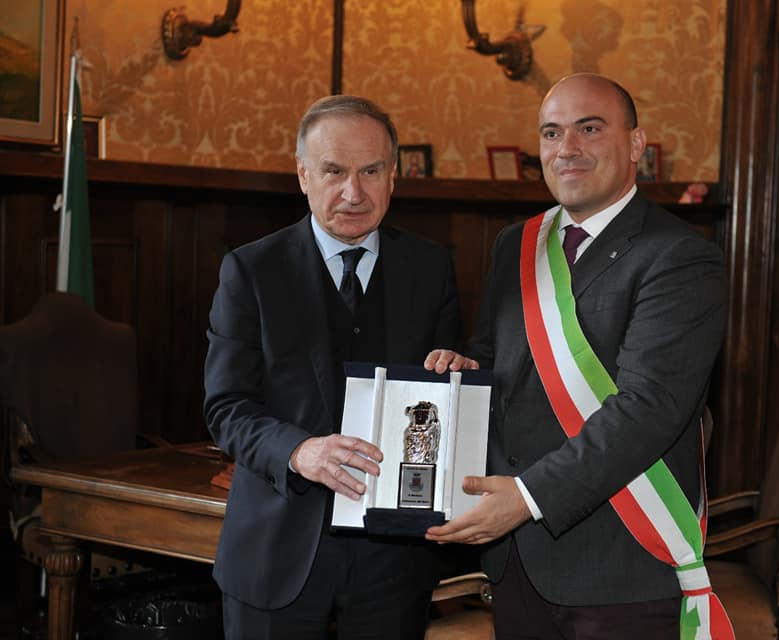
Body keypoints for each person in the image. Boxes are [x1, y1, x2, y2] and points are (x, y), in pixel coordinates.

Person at [423, 73, 732, 639]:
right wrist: (465, 372)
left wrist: (528, 498)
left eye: (589, 129)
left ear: (635, 144)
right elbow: (496, 360)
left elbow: (649, 407)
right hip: (517, 558)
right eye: (551, 133)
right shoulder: (516, 243)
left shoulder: (680, 257)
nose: (566, 148)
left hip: (619, 563)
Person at [204, 95, 463, 640]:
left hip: (395, 562)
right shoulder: (251, 270)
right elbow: (227, 408)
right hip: (276, 549)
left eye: (371, 171)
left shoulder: (431, 266)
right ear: (303, 175)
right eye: (334, 171)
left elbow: (442, 392)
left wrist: (457, 376)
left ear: (393, 176)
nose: (354, 192)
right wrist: (300, 451)